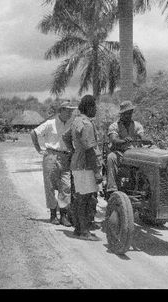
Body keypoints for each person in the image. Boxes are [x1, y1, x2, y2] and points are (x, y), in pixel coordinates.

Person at [30, 100, 77, 226]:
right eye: (68, 110)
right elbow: (33, 133)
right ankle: (52, 215)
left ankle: (63, 215)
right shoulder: (50, 123)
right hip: (51, 156)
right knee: (50, 186)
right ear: (61, 111)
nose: (70, 113)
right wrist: (39, 149)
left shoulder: (71, 124)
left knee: (65, 186)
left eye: (71, 111)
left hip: (66, 157)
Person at [63, 95, 103, 241]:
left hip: (77, 163)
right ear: (89, 107)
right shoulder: (86, 124)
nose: (96, 109)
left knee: (80, 198)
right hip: (86, 165)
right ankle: (84, 231)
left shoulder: (76, 121)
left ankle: (79, 229)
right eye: (94, 107)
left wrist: (73, 151)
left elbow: (65, 137)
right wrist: (97, 172)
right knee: (85, 199)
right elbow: (89, 150)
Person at [106, 100, 152, 195]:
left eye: (130, 113)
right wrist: (123, 141)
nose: (129, 115)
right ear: (121, 114)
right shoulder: (114, 126)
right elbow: (113, 139)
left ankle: (147, 187)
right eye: (126, 113)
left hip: (135, 154)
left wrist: (145, 139)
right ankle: (112, 188)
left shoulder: (137, 125)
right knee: (111, 157)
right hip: (120, 153)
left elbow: (141, 135)